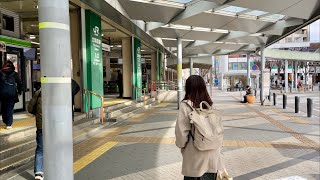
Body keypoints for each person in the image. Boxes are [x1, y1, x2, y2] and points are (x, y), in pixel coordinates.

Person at [175, 75, 224, 180]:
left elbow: (181, 132)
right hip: (213, 154)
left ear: (187, 88)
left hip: (195, 156)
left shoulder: (185, 105)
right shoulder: (210, 105)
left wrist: (182, 146)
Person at [0, 61, 22, 129]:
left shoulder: (0, 73)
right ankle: (9, 124)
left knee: (3, 107)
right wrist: (19, 91)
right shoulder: (14, 74)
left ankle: (5, 120)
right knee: (10, 108)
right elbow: (19, 83)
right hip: (11, 94)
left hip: (2, 93)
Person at [27, 89, 43, 180]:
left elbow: (30, 108)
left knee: (40, 149)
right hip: (54, 128)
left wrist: (37, 113)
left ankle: (39, 173)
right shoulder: (58, 91)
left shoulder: (39, 92)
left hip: (41, 125)